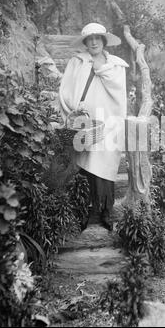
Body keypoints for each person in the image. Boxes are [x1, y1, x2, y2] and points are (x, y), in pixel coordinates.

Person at [58, 23, 129, 230]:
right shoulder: (77, 62)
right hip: (84, 124)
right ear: (85, 42)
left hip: (108, 123)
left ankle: (105, 212)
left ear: (104, 40)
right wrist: (73, 109)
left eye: (98, 37)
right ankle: (84, 212)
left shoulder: (116, 66)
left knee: (104, 167)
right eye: (90, 39)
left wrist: (100, 69)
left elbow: (119, 94)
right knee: (84, 164)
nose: (94, 42)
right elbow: (67, 89)